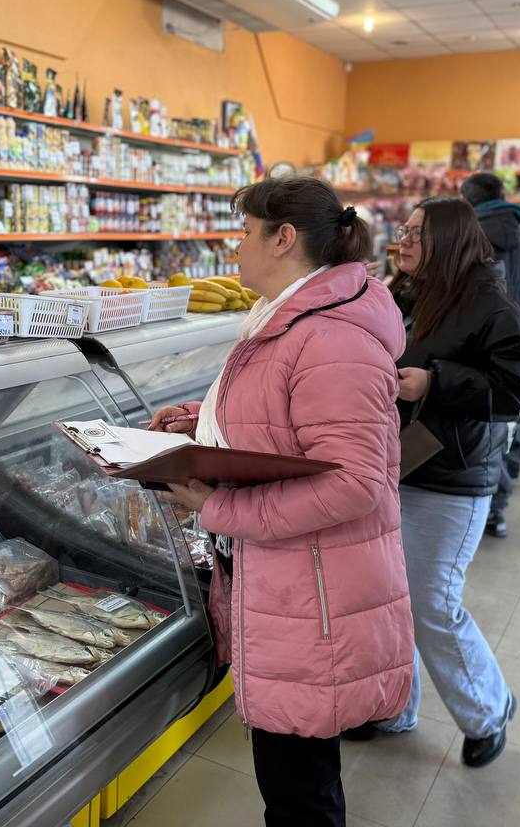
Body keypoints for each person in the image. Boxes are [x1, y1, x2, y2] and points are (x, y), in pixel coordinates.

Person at [154, 175, 414, 827]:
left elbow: (356, 482)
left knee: (300, 791)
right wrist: (199, 422)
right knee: (291, 774)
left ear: (284, 239)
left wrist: (217, 509)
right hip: (290, 585)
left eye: (244, 232)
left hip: (313, 594)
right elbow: (282, 413)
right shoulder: (287, 316)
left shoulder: (331, 336)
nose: (235, 246)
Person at [373, 196, 520, 768]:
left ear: (449, 240)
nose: (404, 240)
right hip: (398, 464)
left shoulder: (491, 305)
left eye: (417, 233)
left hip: (452, 476)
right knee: (391, 598)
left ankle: (489, 710)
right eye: (404, 229)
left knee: (431, 602)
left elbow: (510, 393)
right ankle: (396, 708)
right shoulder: (406, 292)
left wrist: (434, 382)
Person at [460, 173, 520, 537]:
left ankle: (480, 506)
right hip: (518, 341)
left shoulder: (469, 237)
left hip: (475, 341)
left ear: (468, 199)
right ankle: (497, 509)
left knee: (476, 427)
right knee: (507, 422)